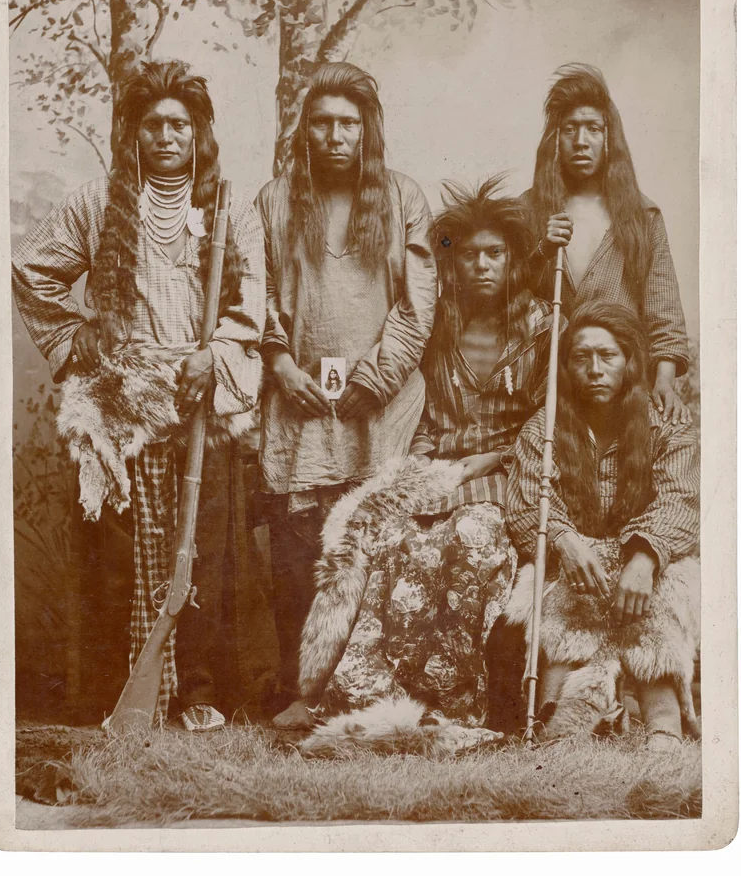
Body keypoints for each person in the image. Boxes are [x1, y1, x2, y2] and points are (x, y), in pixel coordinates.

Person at [12, 61, 267, 730]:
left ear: (198, 133)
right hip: (120, 405)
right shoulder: (95, 203)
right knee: (116, 554)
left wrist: (216, 354)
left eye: (178, 125)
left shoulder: (226, 206)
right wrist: (80, 348)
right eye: (152, 125)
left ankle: (198, 694)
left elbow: (254, 302)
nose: (165, 137)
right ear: (133, 134)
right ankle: (113, 694)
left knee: (200, 549)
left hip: (196, 401)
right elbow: (33, 276)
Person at [281, 177, 565, 733]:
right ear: (451, 265)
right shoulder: (438, 325)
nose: (482, 266)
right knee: (380, 535)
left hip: (513, 475)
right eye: (470, 256)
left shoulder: (541, 325)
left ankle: (449, 701)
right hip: (437, 467)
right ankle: (345, 693)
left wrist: (498, 457)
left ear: (512, 260)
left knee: (470, 536)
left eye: (495, 254)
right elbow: (425, 411)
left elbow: (550, 418)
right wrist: (420, 472)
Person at [256, 62, 437, 718]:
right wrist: (278, 364)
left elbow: (417, 303)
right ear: (304, 131)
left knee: (372, 542)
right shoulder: (274, 201)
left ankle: (365, 691)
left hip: (377, 406)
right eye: (323, 123)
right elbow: (262, 294)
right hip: (299, 401)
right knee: (298, 549)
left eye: (348, 125)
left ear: (367, 133)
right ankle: (300, 692)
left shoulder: (400, 198)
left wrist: (376, 378)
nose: (335, 137)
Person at [505, 301, 700, 750]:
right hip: (575, 563)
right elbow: (527, 501)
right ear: (567, 367)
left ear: (631, 362)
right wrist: (562, 538)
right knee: (560, 605)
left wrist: (646, 556)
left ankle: (663, 720)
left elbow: (681, 500)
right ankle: (563, 716)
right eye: (581, 357)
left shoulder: (665, 424)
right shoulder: (545, 428)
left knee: (665, 594)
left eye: (607, 356)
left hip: (649, 564)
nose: (594, 369)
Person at [523, 64, 691, 424]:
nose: (581, 141)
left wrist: (663, 380)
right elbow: (500, 302)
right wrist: (539, 251)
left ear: (609, 138)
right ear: (554, 138)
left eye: (593, 129)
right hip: (542, 388)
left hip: (622, 386)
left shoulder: (643, 218)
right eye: (569, 129)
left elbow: (664, 312)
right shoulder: (526, 212)